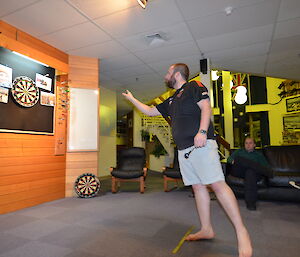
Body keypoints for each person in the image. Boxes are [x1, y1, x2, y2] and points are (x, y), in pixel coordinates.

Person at [122, 63, 252, 257]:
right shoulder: (172, 99)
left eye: (168, 72)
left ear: (176, 74)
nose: (166, 76)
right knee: (198, 187)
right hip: (184, 151)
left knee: (217, 184)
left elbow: (206, 108)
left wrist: (201, 132)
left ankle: (242, 232)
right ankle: (206, 228)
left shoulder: (194, 86)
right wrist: (132, 99)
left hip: (202, 145)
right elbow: (150, 111)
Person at [227, 137, 273, 211]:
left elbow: (266, 166)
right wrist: (235, 161)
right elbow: (229, 159)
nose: (248, 145)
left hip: (253, 174)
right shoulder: (239, 151)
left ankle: (251, 203)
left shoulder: (258, 155)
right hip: (239, 171)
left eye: (250, 143)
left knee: (250, 172)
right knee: (239, 159)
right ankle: (253, 166)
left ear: (254, 145)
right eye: (246, 143)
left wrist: (251, 167)